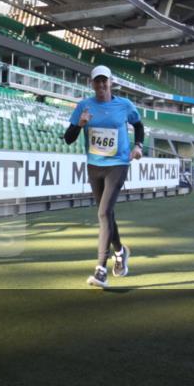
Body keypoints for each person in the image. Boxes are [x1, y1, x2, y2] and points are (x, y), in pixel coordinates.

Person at [64, 65, 144, 289]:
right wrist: (80, 124)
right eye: (96, 82)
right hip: (94, 166)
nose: (101, 85)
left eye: (104, 81)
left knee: (103, 212)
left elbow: (138, 125)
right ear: (92, 84)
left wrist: (138, 146)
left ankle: (101, 269)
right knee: (106, 214)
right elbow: (68, 138)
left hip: (118, 163)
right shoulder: (84, 106)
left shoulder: (124, 105)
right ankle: (120, 252)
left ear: (111, 82)